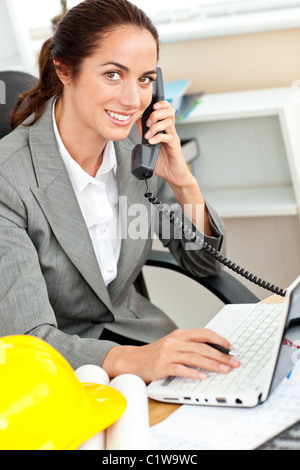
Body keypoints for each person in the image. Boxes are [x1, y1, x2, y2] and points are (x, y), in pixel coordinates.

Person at [0, 0, 240, 383]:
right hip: (59, 373)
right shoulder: (8, 181)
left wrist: (183, 182)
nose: (133, 100)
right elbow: (28, 340)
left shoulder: (137, 148)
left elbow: (204, 264)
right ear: (64, 69)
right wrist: (134, 361)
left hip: (142, 339)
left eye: (145, 79)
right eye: (113, 75)